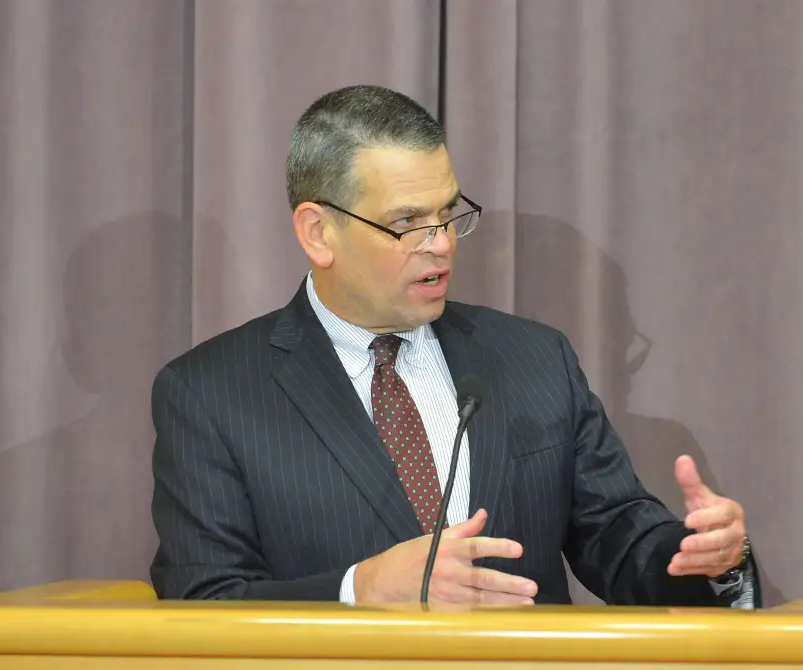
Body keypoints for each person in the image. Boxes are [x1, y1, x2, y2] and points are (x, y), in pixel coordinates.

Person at [149, 85, 758, 608]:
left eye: (448, 214)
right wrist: (361, 587)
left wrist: (702, 558)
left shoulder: (534, 358)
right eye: (408, 222)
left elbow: (617, 538)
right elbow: (202, 599)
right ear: (318, 232)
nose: (440, 243)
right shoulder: (211, 393)